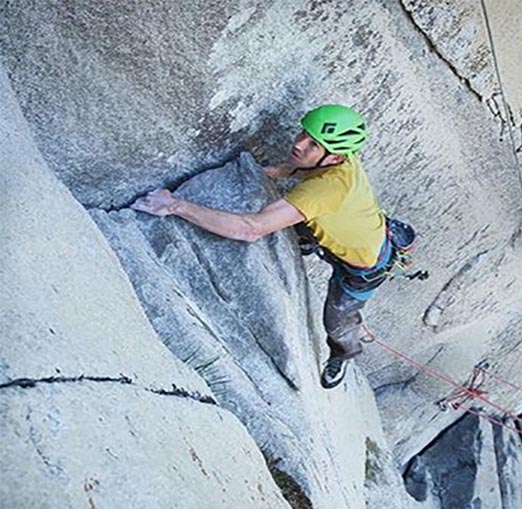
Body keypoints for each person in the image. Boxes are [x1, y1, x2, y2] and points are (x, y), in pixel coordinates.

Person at [132, 104, 391, 389]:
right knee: (298, 217)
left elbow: (251, 229)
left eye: (314, 144)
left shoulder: (326, 190)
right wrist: (269, 173)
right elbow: (296, 167)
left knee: (338, 321)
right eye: (304, 133)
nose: (299, 144)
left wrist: (174, 206)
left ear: (334, 157)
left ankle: (344, 353)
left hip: (362, 266)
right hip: (348, 229)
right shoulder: (340, 159)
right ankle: (307, 241)